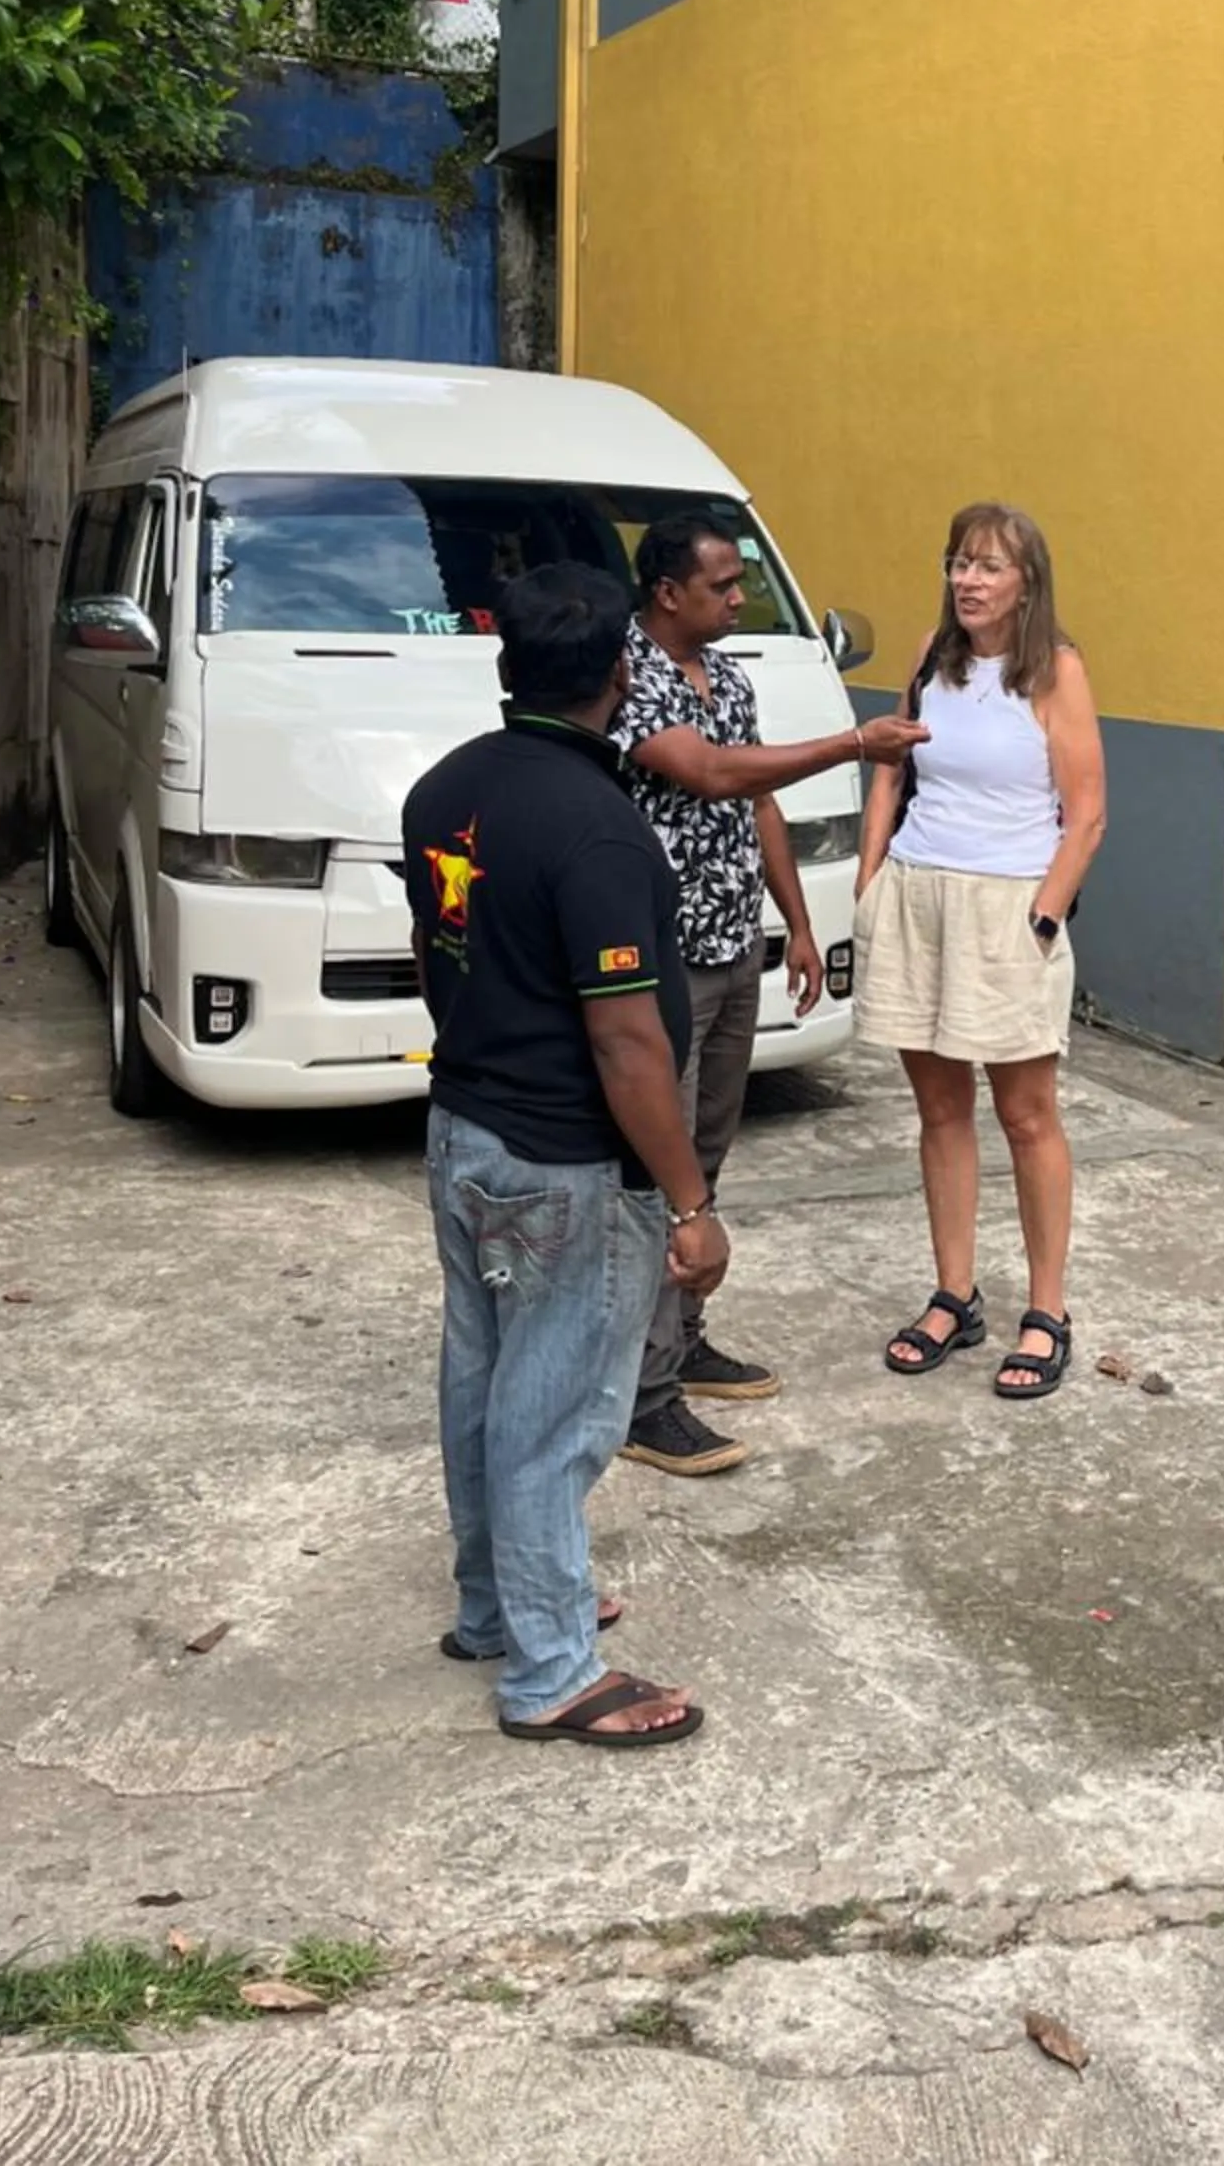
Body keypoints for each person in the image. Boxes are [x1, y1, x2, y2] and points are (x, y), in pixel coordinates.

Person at [402, 562, 725, 1748]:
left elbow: (454, 956)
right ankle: (551, 1671)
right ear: (622, 672)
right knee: (554, 1417)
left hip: (465, 1136)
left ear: (506, 664)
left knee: (485, 1387)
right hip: (563, 1165)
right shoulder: (600, 829)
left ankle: (500, 1607)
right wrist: (689, 1202)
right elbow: (628, 1040)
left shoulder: (444, 792)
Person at [611, 511, 928, 1476]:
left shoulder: (731, 676)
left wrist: (792, 921)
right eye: (722, 585)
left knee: (707, 1151)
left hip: (730, 948)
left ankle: (682, 1335)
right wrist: (850, 745)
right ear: (668, 593)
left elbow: (757, 806)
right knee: (659, 1175)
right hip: (657, 962)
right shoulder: (628, 674)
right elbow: (705, 773)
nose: (739, 598)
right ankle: (639, 1395)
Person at [856, 503, 1106, 1400]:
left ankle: (1048, 1311)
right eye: (959, 562)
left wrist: (1041, 919)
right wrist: (871, 873)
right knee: (939, 1109)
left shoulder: (1056, 672)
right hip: (919, 895)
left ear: (1026, 582)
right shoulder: (933, 653)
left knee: (1027, 1114)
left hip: (1007, 908)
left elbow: (1088, 816)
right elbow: (892, 761)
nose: (969, 580)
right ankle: (954, 1296)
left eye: (990, 567)